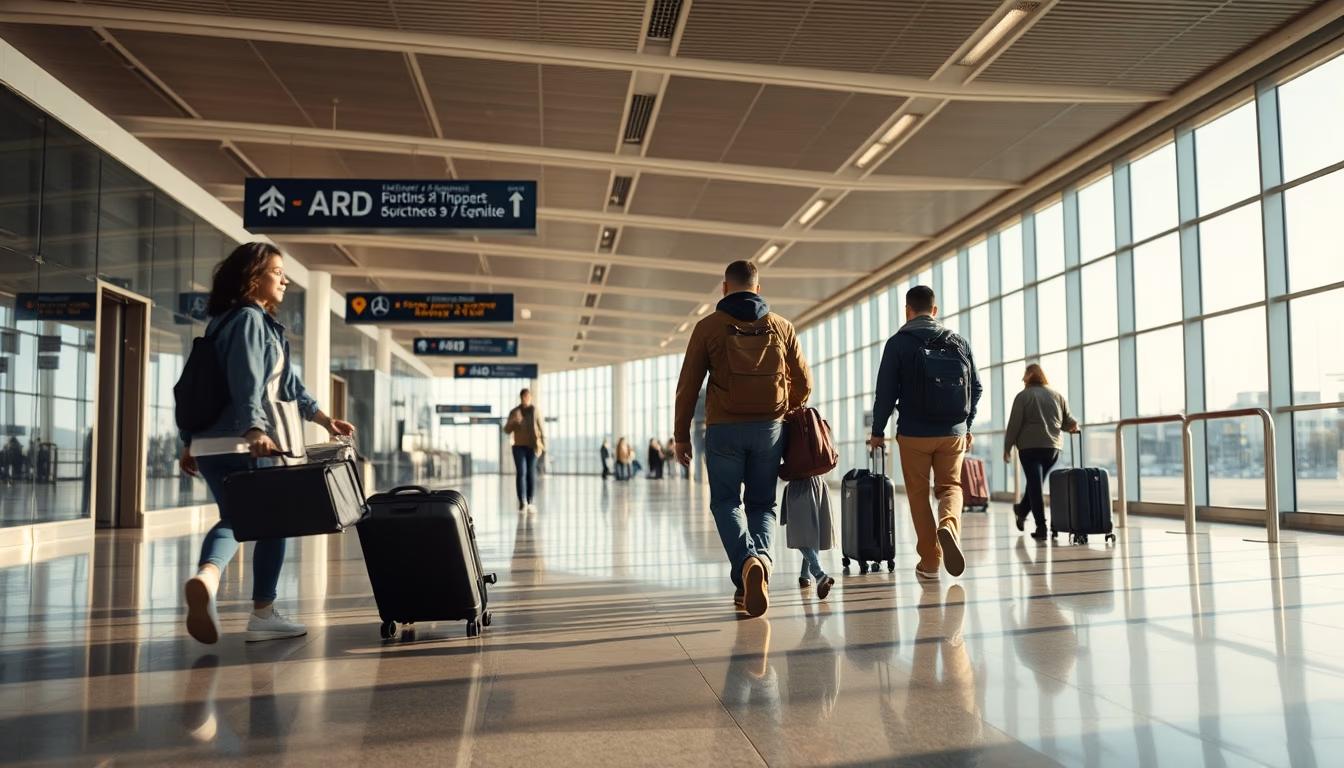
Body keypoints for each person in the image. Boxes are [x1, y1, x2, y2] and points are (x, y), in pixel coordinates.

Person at [178, 242, 355, 645]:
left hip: (209, 445)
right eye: (277, 272)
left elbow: (287, 386)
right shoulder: (249, 321)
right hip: (246, 443)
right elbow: (247, 381)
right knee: (272, 521)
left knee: (237, 517)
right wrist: (255, 430)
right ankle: (261, 611)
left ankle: (208, 578)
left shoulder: (221, 323)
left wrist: (325, 420)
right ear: (253, 276)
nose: (285, 280)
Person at [673, 260, 812, 618]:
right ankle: (761, 561)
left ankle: (747, 562)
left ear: (724, 288)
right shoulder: (781, 326)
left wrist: (680, 436)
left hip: (723, 430)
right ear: (758, 288)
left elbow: (688, 386)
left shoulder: (708, 327)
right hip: (770, 430)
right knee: (762, 505)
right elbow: (805, 383)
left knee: (725, 502)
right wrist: (783, 408)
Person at [869, 285, 982, 582]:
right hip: (953, 432)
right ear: (935, 310)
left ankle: (930, 562)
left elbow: (885, 394)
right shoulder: (959, 342)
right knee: (951, 488)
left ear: (907, 310)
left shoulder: (898, 343)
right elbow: (977, 388)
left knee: (918, 496)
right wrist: (967, 426)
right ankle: (948, 525)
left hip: (913, 433)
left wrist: (877, 431)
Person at [1004, 363, 1079, 540]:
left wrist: (1007, 447)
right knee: (1035, 484)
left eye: (1025, 374)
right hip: (1052, 449)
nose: (1023, 378)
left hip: (1029, 448)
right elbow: (1068, 421)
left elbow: (1014, 424)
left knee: (1035, 486)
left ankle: (1041, 527)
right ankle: (1022, 510)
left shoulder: (1023, 397)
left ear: (1031, 375)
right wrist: (1074, 425)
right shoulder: (1057, 395)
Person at [782, 476, 836, 599]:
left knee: (799, 533)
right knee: (812, 532)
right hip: (818, 482)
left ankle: (819, 574)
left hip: (799, 484)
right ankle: (805, 575)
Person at [503, 388, 545, 511]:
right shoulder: (515, 412)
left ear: (530, 397)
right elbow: (506, 430)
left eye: (527, 396)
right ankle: (522, 500)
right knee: (521, 472)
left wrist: (543, 446)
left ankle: (530, 500)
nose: (525, 399)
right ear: (520, 398)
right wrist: (513, 421)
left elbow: (541, 427)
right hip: (518, 447)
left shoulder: (534, 410)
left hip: (533, 446)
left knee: (531, 472)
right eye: (523, 396)